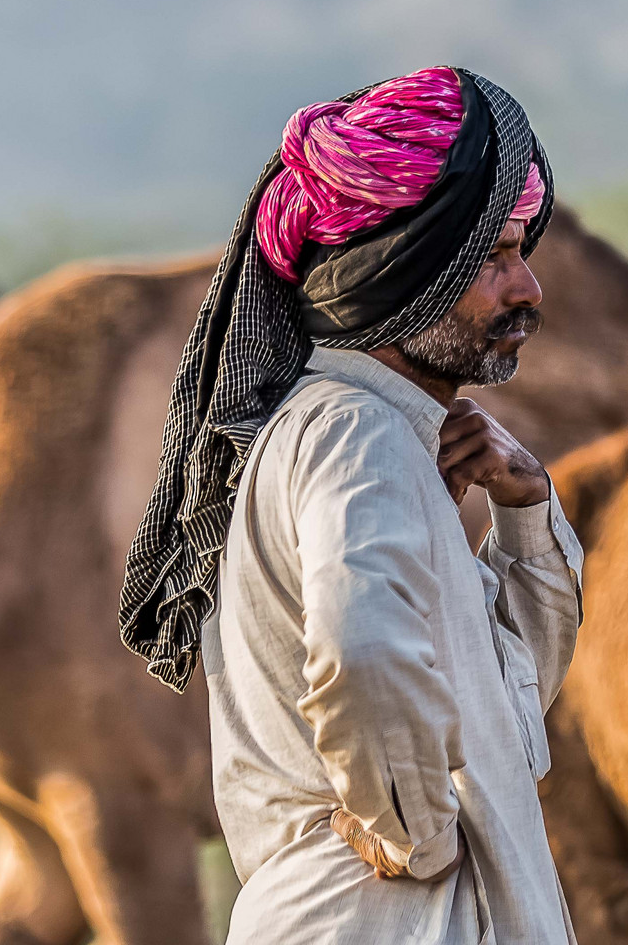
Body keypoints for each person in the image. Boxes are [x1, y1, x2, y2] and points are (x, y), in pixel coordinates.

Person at [121, 67, 583, 943]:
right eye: (491, 257)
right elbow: (363, 648)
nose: (527, 290)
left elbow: (506, 714)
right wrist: (412, 831)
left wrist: (523, 512)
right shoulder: (355, 433)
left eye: (521, 253)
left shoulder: (383, 438)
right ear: (397, 272)